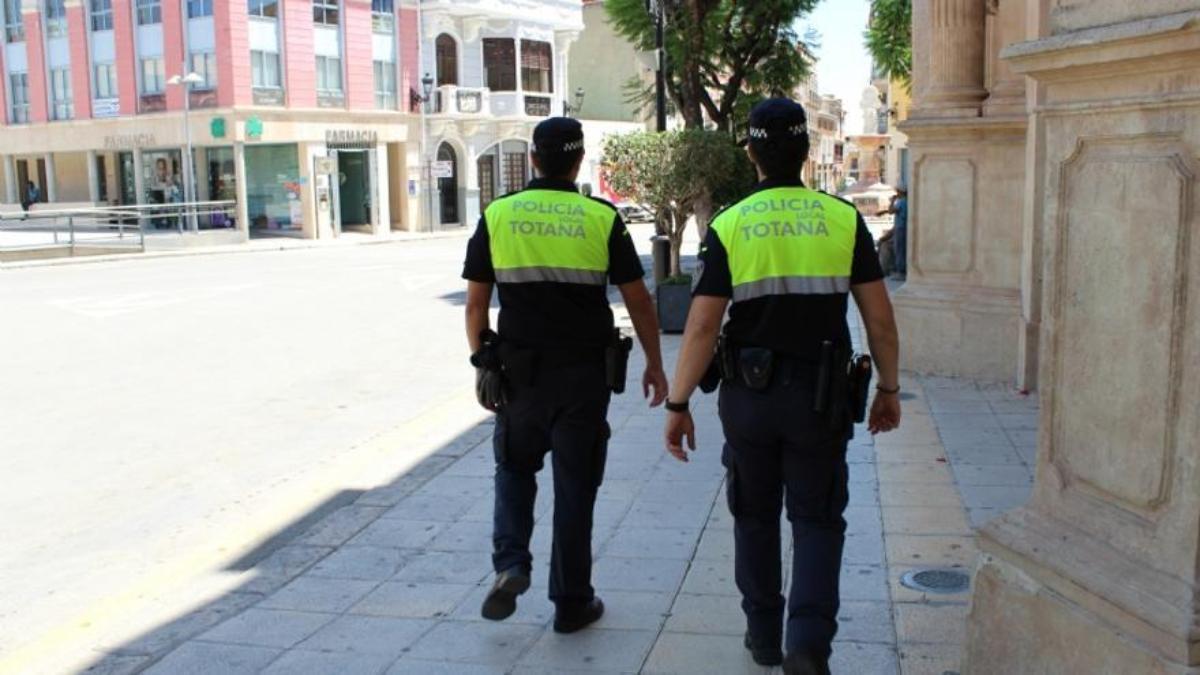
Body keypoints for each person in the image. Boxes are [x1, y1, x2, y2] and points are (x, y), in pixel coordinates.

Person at [662, 98, 901, 675]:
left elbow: (700, 325)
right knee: (818, 519)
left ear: (750, 151)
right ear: (807, 150)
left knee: (754, 514)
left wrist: (678, 401)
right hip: (820, 400)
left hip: (749, 399)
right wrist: (889, 389)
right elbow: (880, 319)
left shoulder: (731, 224)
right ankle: (808, 646)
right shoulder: (843, 220)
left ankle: (764, 637)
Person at [462, 117, 669, 634]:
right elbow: (639, 299)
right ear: (578, 163)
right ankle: (572, 603)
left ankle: (511, 564)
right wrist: (655, 363)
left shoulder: (500, 214)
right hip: (583, 379)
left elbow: (475, 306)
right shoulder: (601, 218)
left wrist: (483, 360)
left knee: (513, 470)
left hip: (519, 376)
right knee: (575, 489)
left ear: (534, 159)